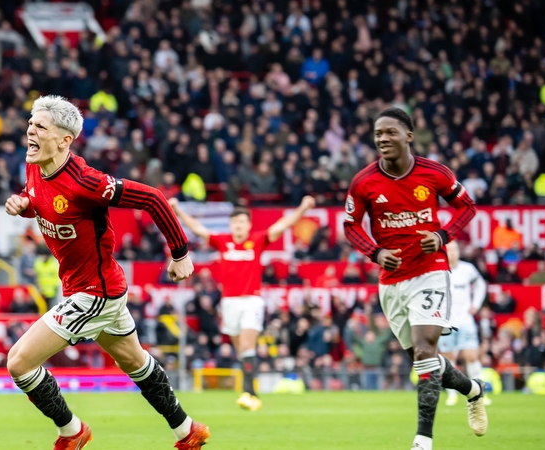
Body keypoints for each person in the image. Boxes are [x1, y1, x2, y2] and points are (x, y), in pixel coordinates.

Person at [3, 95, 208, 450]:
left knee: (19, 362)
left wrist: (180, 253)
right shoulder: (35, 164)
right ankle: (187, 430)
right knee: (134, 361)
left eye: (40, 126)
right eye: (30, 124)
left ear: (65, 140)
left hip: (95, 293)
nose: (30, 132)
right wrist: (24, 203)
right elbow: (41, 200)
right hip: (91, 287)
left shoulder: (86, 182)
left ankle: (71, 431)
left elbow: (153, 198)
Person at [343, 108, 487, 450]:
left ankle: (423, 440)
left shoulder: (434, 173)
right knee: (424, 364)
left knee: (425, 351)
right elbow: (350, 225)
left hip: (430, 271)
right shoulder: (364, 181)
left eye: (390, 132)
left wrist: (442, 235)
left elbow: (467, 206)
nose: (382, 139)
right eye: (378, 133)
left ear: (409, 136)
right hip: (391, 281)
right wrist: (375, 252)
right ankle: (474, 390)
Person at [169, 194, 315, 411]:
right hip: (229, 304)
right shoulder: (222, 241)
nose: (238, 225)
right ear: (231, 225)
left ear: (248, 225)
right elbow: (198, 229)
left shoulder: (257, 241)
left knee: (247, 345)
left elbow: (282, 225)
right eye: (235, 222)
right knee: (242, 351)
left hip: (251, 301)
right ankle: (249, 389)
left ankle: (250, 394)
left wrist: (303, 208)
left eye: (242, 222)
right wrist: (177, 211)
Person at [438, 241, 488, 406]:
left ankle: (480, 393)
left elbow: (481, 284)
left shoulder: (468, 269)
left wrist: (476, 305)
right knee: (448, 358)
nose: (453, 253)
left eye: (455, 249)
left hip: (465, 320)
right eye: (450, 250)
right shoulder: (438, 269)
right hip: (446, 320)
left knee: (472, 356)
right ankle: (452, 395)